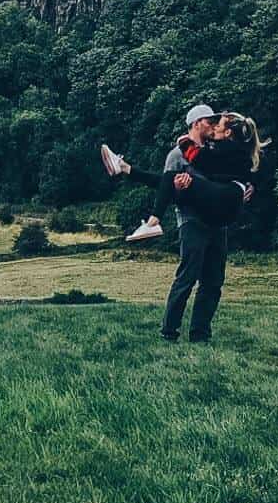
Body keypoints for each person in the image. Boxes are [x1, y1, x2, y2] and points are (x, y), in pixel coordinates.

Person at [102, 105, 261, 343]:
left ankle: (200, 334)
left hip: (217, 221)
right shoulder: (178, 154)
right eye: (210, 121)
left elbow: (229, 170)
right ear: (198, 123)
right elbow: (163, 184)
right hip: (192, 219)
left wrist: (245, 184)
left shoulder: (212, 149)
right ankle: (169, 331)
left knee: (213, 282)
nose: (214, 124)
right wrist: (176, 185)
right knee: (187, 276)